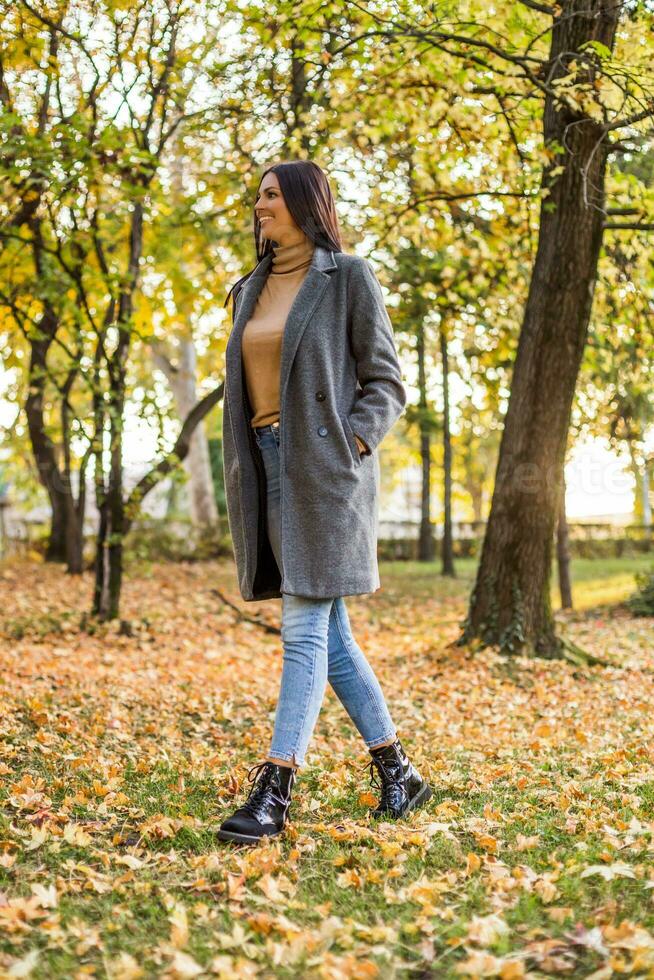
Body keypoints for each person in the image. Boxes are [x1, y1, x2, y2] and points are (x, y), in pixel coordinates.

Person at [218, 160, 431, 844]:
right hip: (266, 467)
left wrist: (353, 445)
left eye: (272, 195)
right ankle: (399, 772)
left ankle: (275, 789)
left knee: (303, 628)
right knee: (331, 636)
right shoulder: (247, 289)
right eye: (258, 196)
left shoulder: (348, 278)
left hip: (327, 471)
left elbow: (387, 381)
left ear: (307, 203)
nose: (260, 206)